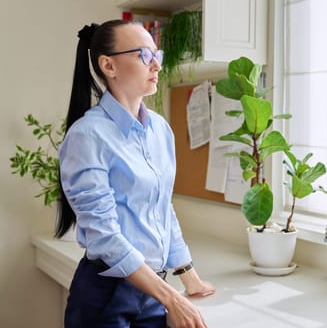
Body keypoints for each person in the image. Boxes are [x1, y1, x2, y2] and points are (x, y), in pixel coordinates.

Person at [56, 20, 215, 328]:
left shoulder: (159, 129)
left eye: (158, 54)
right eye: (144, 55)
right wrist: (172, 298)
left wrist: (189, 277)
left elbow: (162, 207)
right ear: (108, 65)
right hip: (106, 297)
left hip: (153, 292)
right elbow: (105, 237)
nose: (156, 64)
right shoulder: (87, 135)